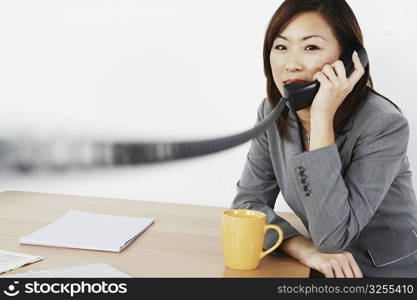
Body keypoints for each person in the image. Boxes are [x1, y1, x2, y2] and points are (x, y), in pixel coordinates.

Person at [231, 0, 417, 278]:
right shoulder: (273, 111)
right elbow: (247, 205)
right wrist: (301, 247)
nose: (290, 64)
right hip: (319, 266)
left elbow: (333, 237)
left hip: (388, 273)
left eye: (311, 47)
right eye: (281, 47)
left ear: (348, 58)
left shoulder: (383, 123)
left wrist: (321, 118)